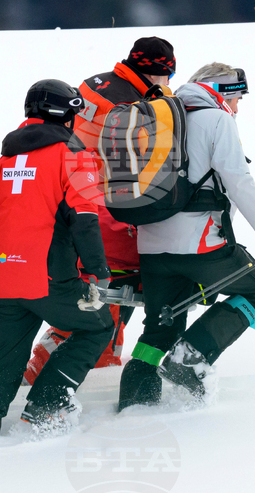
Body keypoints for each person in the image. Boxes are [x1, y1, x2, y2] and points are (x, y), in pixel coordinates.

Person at [117, 63, 255, 411]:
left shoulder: (160, 119)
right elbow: (239, 183)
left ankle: (135, 405)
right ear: (222, 92)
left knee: (160, 325)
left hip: (151, 243)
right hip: (201, 244)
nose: (238, 107)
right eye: (238, 98)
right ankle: (190, 358)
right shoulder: (217, 120)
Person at [0, 80, 115, 437]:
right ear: (66, 115)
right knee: (98, 326)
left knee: (1, 365)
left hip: (2, 278)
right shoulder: (74, 156)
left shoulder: (4, 161)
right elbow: (85, 218)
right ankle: (45, 409)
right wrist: (98, 271)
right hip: (47, 278)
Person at [23, 37, 175, 383]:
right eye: (168, 76)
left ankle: (53, 364)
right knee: (115, 287)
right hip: (98, 206)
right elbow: (138, 164)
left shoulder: (95, 83)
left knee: (97, 293)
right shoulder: (132, 106)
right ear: (157, 73)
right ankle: (78, 367)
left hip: (63, 196)